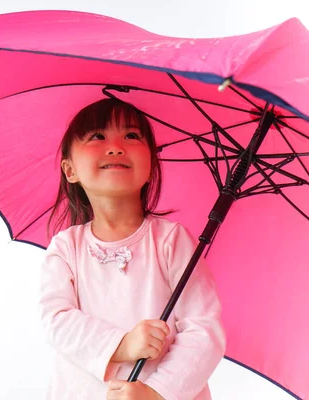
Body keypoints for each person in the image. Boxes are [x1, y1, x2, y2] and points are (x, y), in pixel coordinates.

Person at [39, 98, 226, 400]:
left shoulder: (172, 241)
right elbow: (57, 320)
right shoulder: (65, 248)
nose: (115, 147)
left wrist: (156, 392)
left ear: (152, 165)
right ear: (70, 169)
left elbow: (204, 330)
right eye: (97, 137)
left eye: (132, 136)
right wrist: (121, 345)